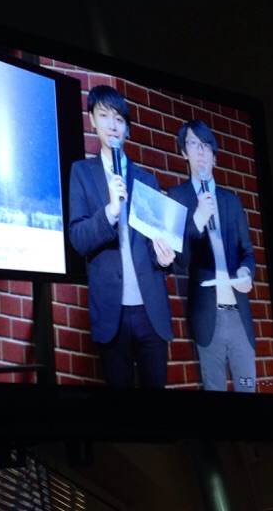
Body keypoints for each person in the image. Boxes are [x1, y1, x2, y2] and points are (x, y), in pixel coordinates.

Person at [68, 85, 175, 388]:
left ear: (127, 128)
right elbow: (78, 238)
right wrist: (111, 211)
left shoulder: (146, 179)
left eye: (119, 119)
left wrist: (164, 259)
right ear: (92, 120)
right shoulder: (82, 173)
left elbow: (155, 244)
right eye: (104, 116)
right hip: (110, 312)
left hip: (150, 310)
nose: (112, 125)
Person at [167, 119, 257, 392]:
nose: (200, 151)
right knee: (215, 391)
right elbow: (181, 259)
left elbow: (247, 252)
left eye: (206, 146)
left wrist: (246, 272)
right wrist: (197, 219)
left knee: (248, 388)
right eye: (193, 144)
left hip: (239, 314)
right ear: (184, 152)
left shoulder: (231, 201)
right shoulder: (178, 196)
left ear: (214, 157)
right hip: (208, 316)